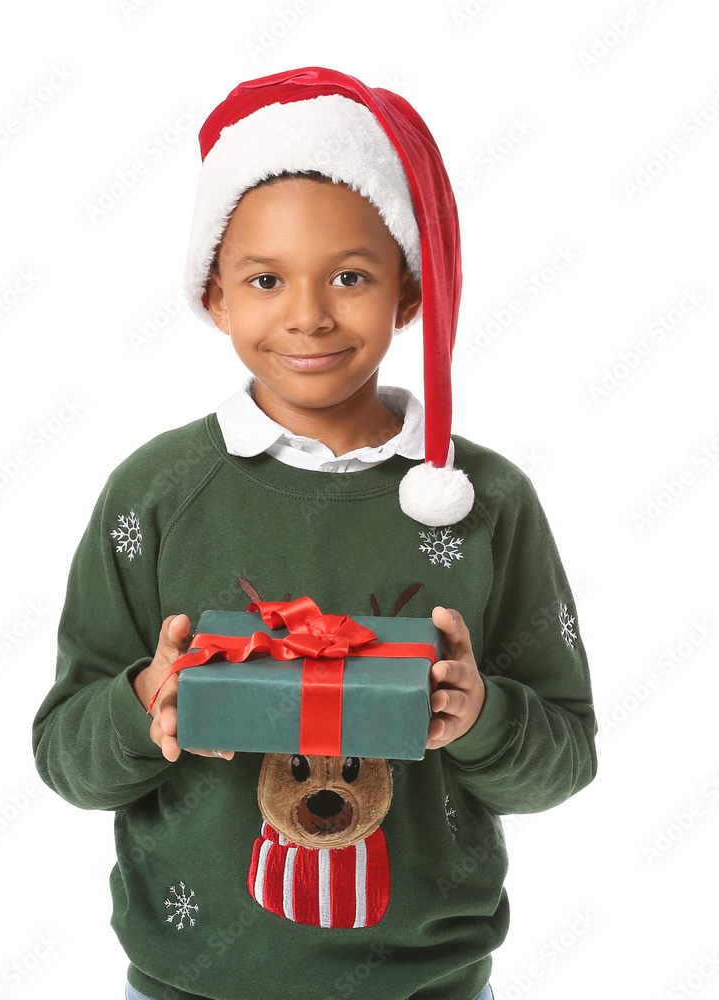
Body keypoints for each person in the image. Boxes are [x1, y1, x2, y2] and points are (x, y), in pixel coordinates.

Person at [32, 66, 597, 1000]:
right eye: (264, 279)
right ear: (215, 298)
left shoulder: (486, 498)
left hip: (430, 986)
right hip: (186, 983)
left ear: (408, 293)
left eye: (350, 275)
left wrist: (480, 715)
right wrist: (146, 705)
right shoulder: (155, 493)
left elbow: (563, 762)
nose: (308, 314)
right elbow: (66, 758)